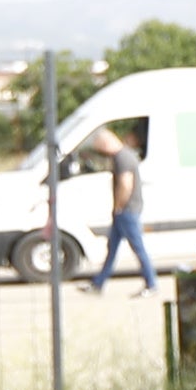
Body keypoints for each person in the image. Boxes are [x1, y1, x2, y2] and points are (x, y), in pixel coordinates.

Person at [85, 120, 157, 295]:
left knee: (137, 247)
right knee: (112, 248)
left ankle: (151, 284)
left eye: (99, 145)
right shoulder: (124, 155)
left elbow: (126, 184)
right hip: (125, 210)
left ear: (105, 143)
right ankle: (98, 284)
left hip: (127, 210)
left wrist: (118, 206)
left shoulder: (122, 158)